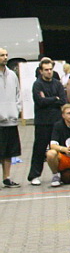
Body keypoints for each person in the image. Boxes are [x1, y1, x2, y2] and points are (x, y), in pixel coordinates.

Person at [27, 58, 67, 185]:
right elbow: (40, 101)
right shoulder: (37, 84)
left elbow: (63, 100)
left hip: (57, 122)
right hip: (42, 122)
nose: (49, 72)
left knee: (59, 149)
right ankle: (34, 175)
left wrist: (49, 99)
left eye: (50, 69)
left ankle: (61, 173)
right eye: (46, 70)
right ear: (41, 71)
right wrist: (55, 98)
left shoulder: (57, 84)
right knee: (39, 149)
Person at [0, 48, 23, 188]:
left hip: (11, 120)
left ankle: (6, 178)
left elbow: (18, 94)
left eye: (6, 55)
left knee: (9, 151)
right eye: (2, 55)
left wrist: (17, 110)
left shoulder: (12, 75)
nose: (5, 57)